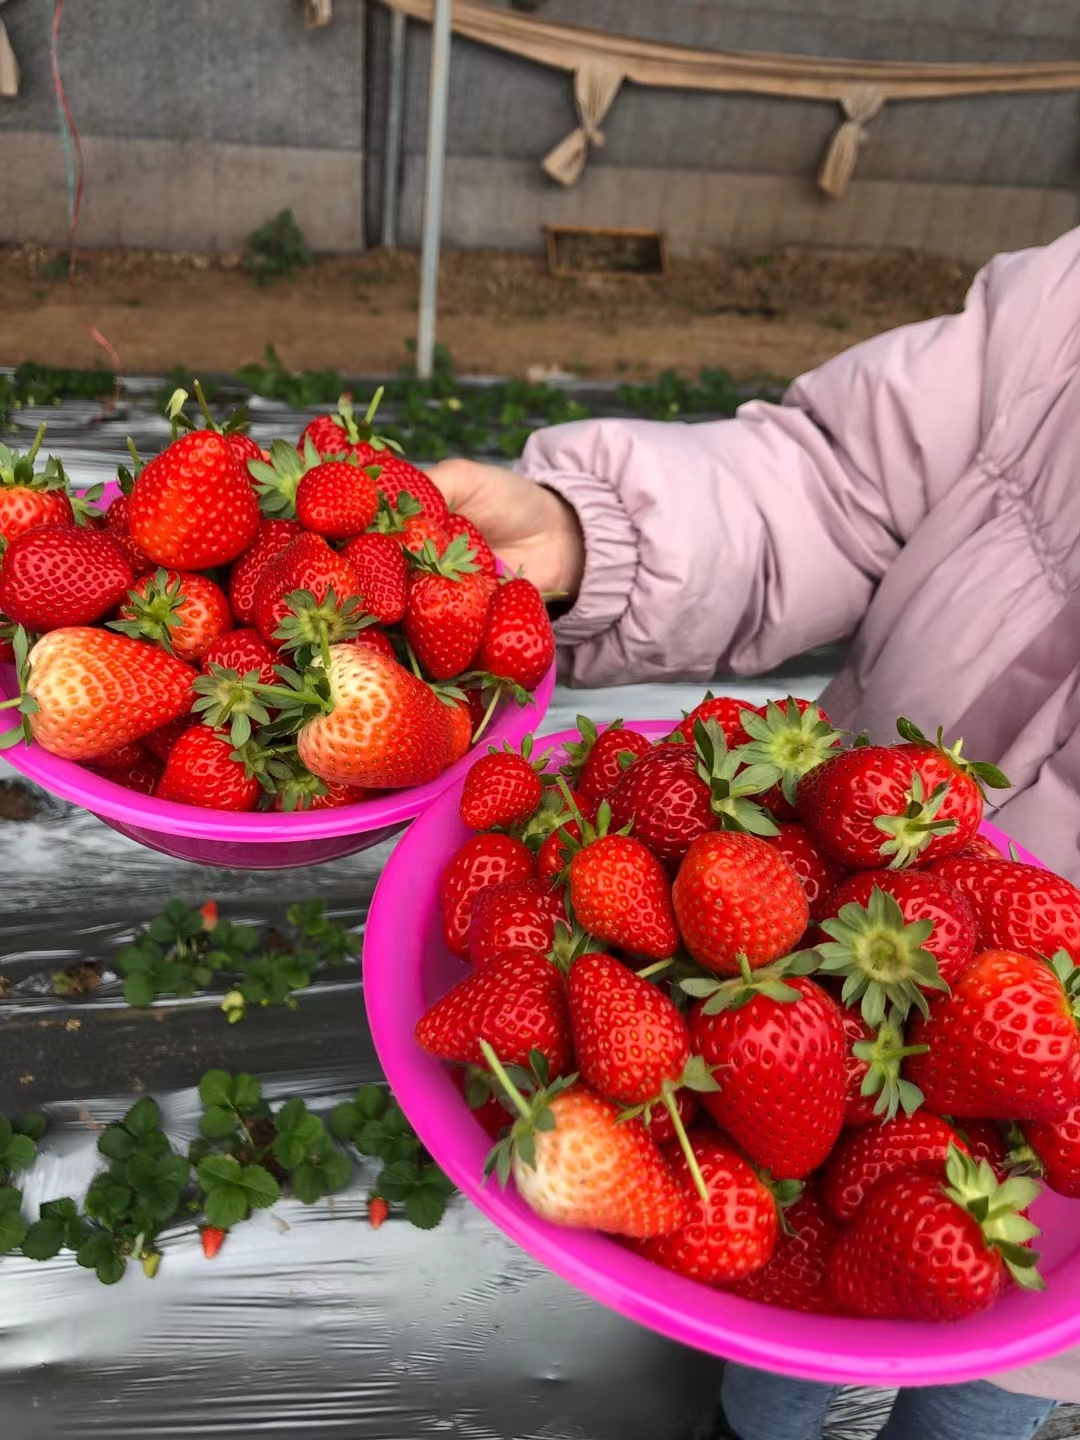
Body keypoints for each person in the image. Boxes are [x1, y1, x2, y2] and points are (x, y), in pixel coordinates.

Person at [425, 226, 1080, 1437]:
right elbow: (840, 483)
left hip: (1051, 1194)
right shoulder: (1068, 307)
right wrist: (586, 536)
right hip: (816, 933)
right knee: (772, 1316)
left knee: (980, 1388)